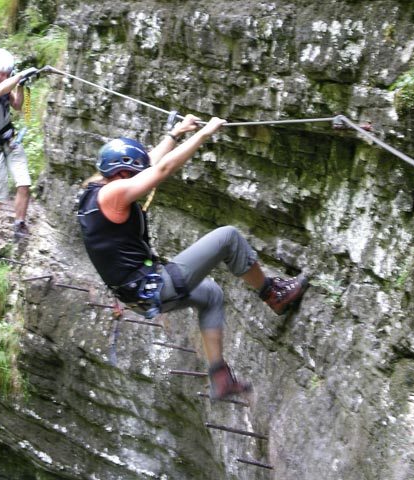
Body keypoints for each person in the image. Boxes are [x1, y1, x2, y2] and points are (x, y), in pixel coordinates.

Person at [77, 115, 309, 401]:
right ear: (123, 175)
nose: (140, 176)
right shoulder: (113, 194)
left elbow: (148, 162)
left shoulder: (95, 189)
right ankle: (273, 294)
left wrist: (175, 134)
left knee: (211, 294)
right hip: (154, 287)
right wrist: (203, 135)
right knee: (229, 237)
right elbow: (160, 169)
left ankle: (220, 378)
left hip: (137, 295)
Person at [0, 48, 38, 245]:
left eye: (7, 74)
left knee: (24, 183)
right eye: (1, 73)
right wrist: (18, 76)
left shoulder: (6, 84)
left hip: (10, 140)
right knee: (0, 193)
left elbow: (18, 105)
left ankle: (19, 224)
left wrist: (21, 85)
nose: (4, 77)